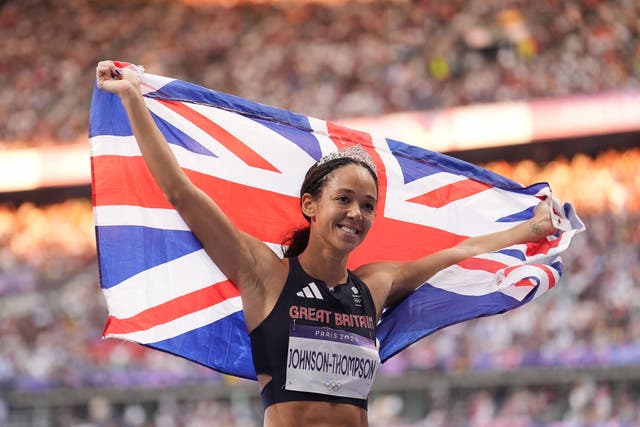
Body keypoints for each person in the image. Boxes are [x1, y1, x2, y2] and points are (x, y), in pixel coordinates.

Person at [95, 60, 557, 427]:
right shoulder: (265, 274)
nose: (357, 213)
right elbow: (181, 192)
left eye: (368, 205)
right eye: (344, 199)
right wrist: (134, 99)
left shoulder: (375, 285)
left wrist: (529, 231)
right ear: (310, 205)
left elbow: (456, 253)